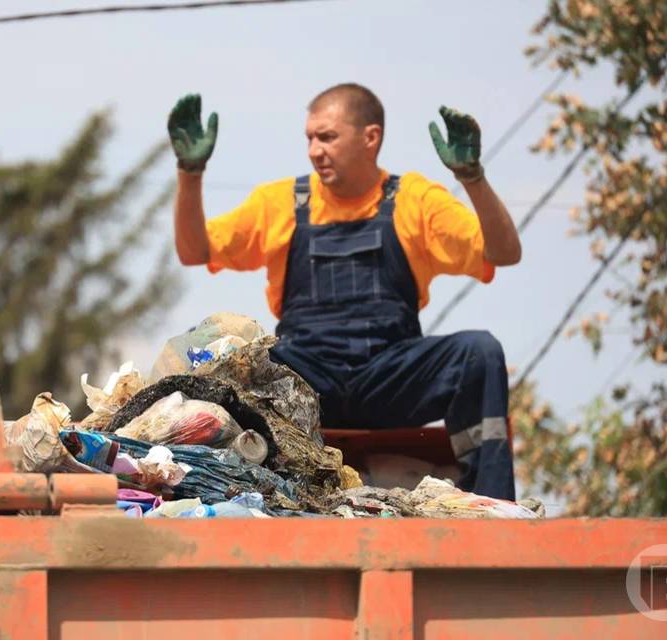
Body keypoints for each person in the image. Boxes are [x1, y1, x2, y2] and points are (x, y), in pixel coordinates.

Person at [166, 84, 521, 500]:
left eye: (327, 137)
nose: (315, 150)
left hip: (389, 377)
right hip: (306, 385)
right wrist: (189, 173)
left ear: (370, 138)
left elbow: (504, 252)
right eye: (310, 138)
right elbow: (195, 251)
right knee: (224, 358)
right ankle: (233, 491)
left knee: (478, 352)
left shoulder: (416, 201)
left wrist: (472, 178)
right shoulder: (279, 202)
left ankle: (493, 507)